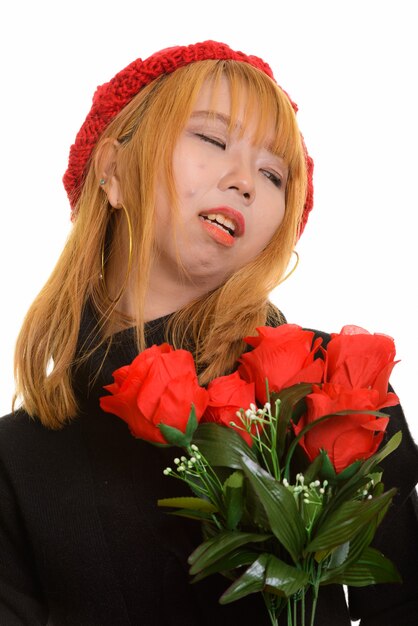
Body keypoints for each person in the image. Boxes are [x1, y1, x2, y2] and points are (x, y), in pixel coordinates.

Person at [0, 40, 417, 626]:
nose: (245, 180)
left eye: (274, 173)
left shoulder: (340, 387)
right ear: (113, 171)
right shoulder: (18, 459)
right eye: (213, 140)